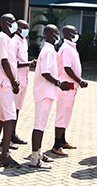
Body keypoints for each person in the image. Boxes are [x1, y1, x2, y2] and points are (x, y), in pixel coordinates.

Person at [29, 25, 72, 168]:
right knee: (39, 126)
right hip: (44, 93)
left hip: (47, 93)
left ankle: (39, 153)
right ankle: (35, 158)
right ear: (51, 35)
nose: (57, 37)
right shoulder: (48, 51)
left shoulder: (49, 50)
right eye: (56, 34)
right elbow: (46, 73)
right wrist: (59, 83)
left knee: (41, 124)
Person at [0, 13, 22, 168]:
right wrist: (13, 81)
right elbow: (4, 61)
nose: (16, 25)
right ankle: (5, 154)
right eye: (14, 22)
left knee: (1, 116)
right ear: (8, 23)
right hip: (4, 82)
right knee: (10, 117)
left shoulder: (7, 39)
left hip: (4, 82)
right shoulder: (2, 37)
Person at [52, 25, 87, 155]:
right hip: (66, 86)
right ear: (67, 34)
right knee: (62, 114)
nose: (76, 34)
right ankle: (56, 144)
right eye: (74, 32)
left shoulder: (72, 47)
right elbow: (67, 68)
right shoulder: (66, 48)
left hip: (72, 87)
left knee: (67, 113)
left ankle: (62, 139)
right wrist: (80, 80)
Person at [11, 19, 35, 146]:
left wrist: (29, 63)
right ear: (18, 29)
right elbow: (13, 62)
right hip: (16, 79)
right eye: (24, 28)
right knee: (11, 110)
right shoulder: (14, 42)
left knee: (17, 109)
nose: (26, 30)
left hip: (24, 79)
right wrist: (29, 64)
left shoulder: (24, 41)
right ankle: (7, 137)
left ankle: (13, 134)